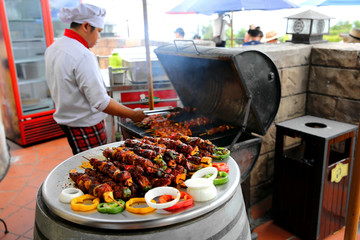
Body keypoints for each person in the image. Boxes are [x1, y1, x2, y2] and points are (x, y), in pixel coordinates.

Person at [45, 3, 146, 155]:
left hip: (67, 121)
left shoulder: (54, 47)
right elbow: (101, 102)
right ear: (86, 26)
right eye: (98, 31)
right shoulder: (83, 55)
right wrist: (133, 114)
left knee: (83, 160)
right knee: (95, 164)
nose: (99, 38)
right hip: (85, 124)